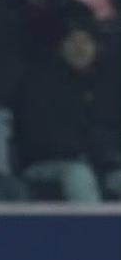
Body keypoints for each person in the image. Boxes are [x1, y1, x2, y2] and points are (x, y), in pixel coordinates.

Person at [13, 17, 119, 202]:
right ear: (60, 47)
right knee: (79, 175)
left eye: (86, 41)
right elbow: (36, 136)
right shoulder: (40, 83)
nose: (80, 48)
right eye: (73, 41)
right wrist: (84, 149)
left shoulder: (105, 83)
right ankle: (89, 223)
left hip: (101, 165)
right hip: (48, 163)